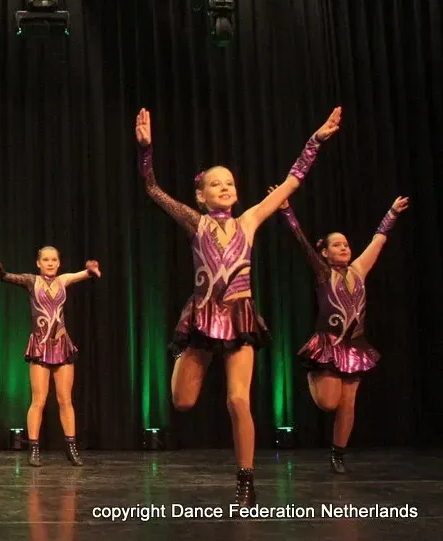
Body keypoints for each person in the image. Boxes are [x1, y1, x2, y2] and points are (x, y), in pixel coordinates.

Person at [134, 106, 341, 505]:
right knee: (182, 402)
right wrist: (146, 151)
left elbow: (291, 182)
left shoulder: (249, 221)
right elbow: (153, 190)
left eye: (229, 182)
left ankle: (246, 482)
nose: (225, 187)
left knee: (237, 399)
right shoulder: (195, 222)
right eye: (216, 184)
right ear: (201, 195)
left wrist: (315, 141)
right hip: (202, 317)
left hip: (240, 317)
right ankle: (181, 353)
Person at [273, 188, 409, 473]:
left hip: (354, 345)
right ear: (325, 253)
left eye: (346, 244)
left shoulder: (359, 270)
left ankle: (338, 455)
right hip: (328, 344)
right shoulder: (324, 273)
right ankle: (314, 373)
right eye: (337, 245)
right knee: (328, 402)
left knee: (348, 403)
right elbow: (301, 242)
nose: (344, 248)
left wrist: (392, 213)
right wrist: (286, 210)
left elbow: (378, 240)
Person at [0, 247, 101, 466]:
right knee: (38, 400)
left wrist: (91, 269)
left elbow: (83, 274)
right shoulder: (32, 281)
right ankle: (34, 450)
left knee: (65, 400)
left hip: (61, 345)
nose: (50, 263)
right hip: (40, 346)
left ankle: (71, 449)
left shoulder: (63, 280)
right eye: (46, 260)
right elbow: (9, 277)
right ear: (38, 263)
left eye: (54, 260)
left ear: (59, 263)